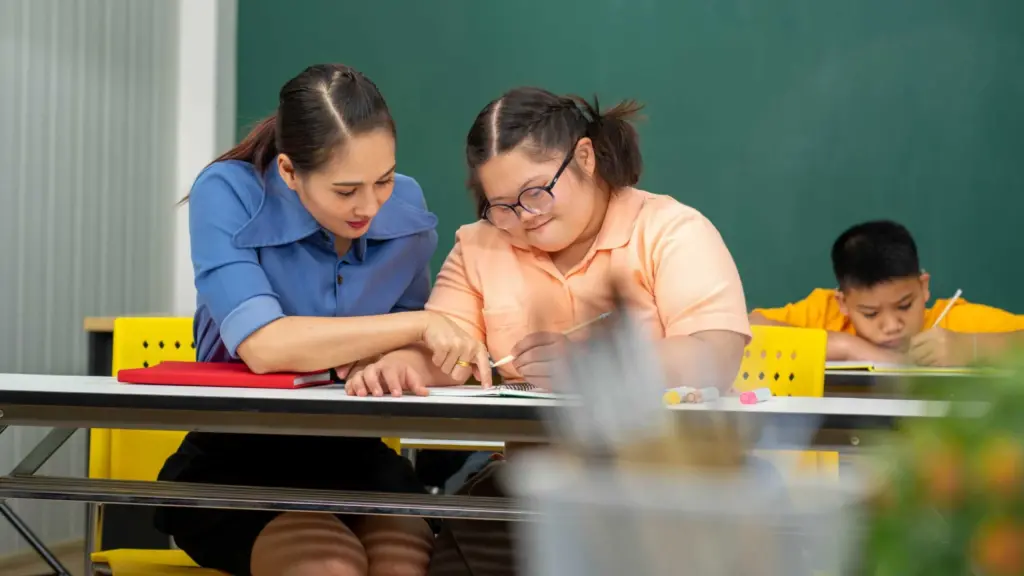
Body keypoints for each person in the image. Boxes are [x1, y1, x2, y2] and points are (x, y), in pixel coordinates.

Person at [155, 64, 491, 576]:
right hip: (239, 453)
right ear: (289, 172)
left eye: (383, 179)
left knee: (406, 563)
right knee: (328, 565)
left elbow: (410, 355)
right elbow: (264, 346)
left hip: (354, 451)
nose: (370, 205)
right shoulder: (228, 191)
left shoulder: (406, 206)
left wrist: (408, 358)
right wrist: (418, 327)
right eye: (345, 190)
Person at [345, 87, 751, 397]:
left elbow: (715, 356)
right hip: (532, 477)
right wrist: (400, 367)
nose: (524, 217)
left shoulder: (670, 231)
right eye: (501, 205)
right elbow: (452, 353)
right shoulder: (480, 245)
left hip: (664, 478)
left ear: (585, 158)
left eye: (536, 192)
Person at [749, 220, 1024, 366]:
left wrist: (971, 348)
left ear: (923, 287)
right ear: (843, 303)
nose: (892, 325)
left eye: (905, 306)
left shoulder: (952, 322)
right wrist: (849, 348)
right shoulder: (826, 315)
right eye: (870, 313)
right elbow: (746, 330)